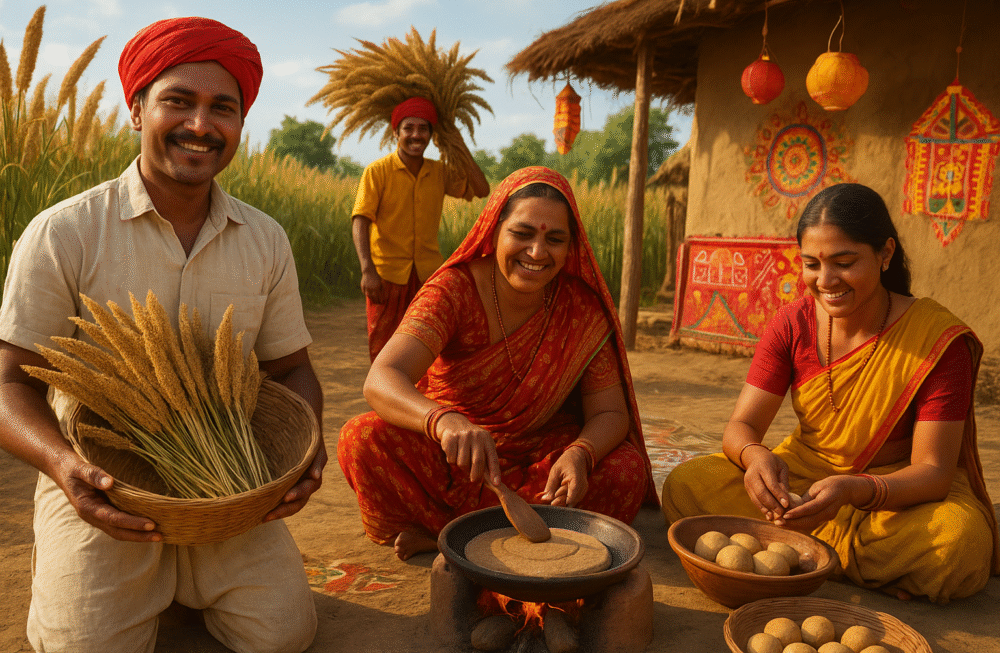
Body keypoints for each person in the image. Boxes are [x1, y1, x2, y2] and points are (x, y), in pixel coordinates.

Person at [0, 18, 326, 653]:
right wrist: (66, 468)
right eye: (179, 100)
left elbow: (292, 370)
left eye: (222, 109)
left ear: (239, 125)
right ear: (136, 109)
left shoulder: (265, 239)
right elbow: (9, 382)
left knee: (283, 636)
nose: (201, 125)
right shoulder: (64, 233)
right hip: (106, 484)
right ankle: (107, 571)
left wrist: (305, 451)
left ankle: (179, 581)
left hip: (229, 483)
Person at [662, 183, 999, 603]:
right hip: (802, 486)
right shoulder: (791, 323)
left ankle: (798, 551)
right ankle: (843, 561)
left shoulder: (935, 340)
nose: (825, 281)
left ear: (885, 254)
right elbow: (742, 425)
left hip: (893, 496)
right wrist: (755, 458)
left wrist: (855, 490)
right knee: (687, 482)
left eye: (844, 262)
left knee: (957, 543)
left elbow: (933, 473)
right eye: (811, 264)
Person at [339, 166, 658, 560]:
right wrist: (443, 422)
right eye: (522, 234)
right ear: (494, 230)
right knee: (361, 439)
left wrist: (581, 453)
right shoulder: (454, 290)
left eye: (554, 239)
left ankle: (448, 535)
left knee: (626, 470)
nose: (538, 253)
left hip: (540, 456)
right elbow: (381, 379)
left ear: (570, 247)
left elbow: (610, 411)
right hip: (455, 453)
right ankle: (501, 534)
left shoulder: (580, 308)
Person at [351, 96, 490, 361]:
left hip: (428, 275)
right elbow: (361, 220)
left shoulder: (439, 172)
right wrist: (367, 270)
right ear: (396, 133)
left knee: (427, 346)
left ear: (431, 135)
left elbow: (482, 189)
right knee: (383, 349)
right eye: (409, 128)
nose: (416, 135)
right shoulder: (377, 172)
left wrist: (458, 144)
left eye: (423, 129)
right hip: (386, 276)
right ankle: (384, 400)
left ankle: (419, 399)